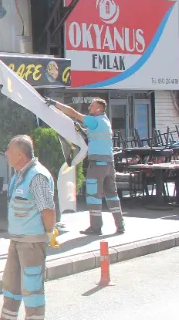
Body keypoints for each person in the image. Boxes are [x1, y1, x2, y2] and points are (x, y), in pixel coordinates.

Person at [0, 135, 54, 320]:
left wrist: (48, 235)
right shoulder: (19, 176)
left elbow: (48, 210)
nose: (6, 153)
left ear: (21, 154)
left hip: (32, 242)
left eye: (9, 150)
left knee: (32, 287)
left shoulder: (37, 176)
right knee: (11, 283)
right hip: (17, 239)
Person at [46, 97, 124, 235]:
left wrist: (55, 103)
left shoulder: (95, 121)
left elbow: (73, 113)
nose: (89, 108)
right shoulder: (105, 121)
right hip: (109, 164)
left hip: (97, 165)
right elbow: (91, 136)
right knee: (112, 195)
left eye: (92, 106)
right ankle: (120, 225)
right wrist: (81, 130)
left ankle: (96, 227)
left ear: (99, 109)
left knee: (93, 196)